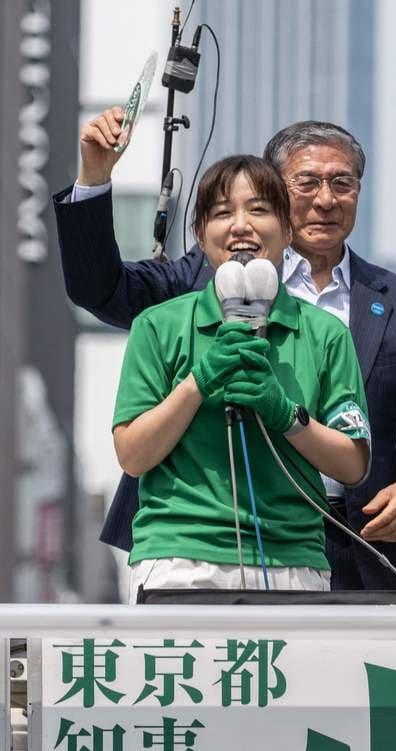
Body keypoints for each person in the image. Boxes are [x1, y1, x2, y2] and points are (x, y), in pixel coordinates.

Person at [55, 112, 396, 590]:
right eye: (306, 182)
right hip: (201, 547)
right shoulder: (209, 277)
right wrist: (95, 179)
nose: (326, 199)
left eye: (342, 182)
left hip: (357, 542)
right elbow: (97, 288)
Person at [113, 155, 370, 597]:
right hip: (179, 559)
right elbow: (133, 455)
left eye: (258, 209)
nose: (240, 226)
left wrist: (284, 413)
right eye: (221, 213)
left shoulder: (326, 334)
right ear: (199, 234)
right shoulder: (157, 326)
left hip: (293, 560)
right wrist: (198, 382)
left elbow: (353, 464)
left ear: (288, 230)